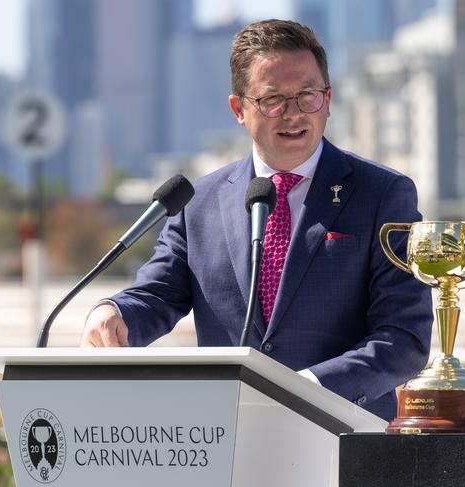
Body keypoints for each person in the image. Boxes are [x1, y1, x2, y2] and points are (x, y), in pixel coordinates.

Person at [82, 19, 433, 421]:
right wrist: (114, 312)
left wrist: (307, 390)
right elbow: (157, 295)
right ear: (238, 109)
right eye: (273, 99)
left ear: (329, 99)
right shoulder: (198, 203)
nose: (293, 113)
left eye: (307, 95)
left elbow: (404, 338)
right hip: (228, 437)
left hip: (344, 436)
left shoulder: (382, 194)